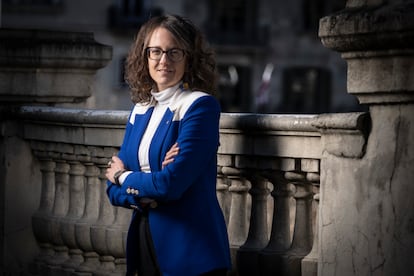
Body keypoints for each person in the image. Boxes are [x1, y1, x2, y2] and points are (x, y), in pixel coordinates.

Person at [105, 14, 231, 276]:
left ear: (189, 57)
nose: (164, 61)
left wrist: (123, 176)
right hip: (144, 240)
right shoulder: (139, 110)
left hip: (190, 250)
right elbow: (111, 191)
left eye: (174, 52)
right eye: (156, 51)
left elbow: (170, 185)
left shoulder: (200, 106)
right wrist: (146, 189)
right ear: (145, 56)